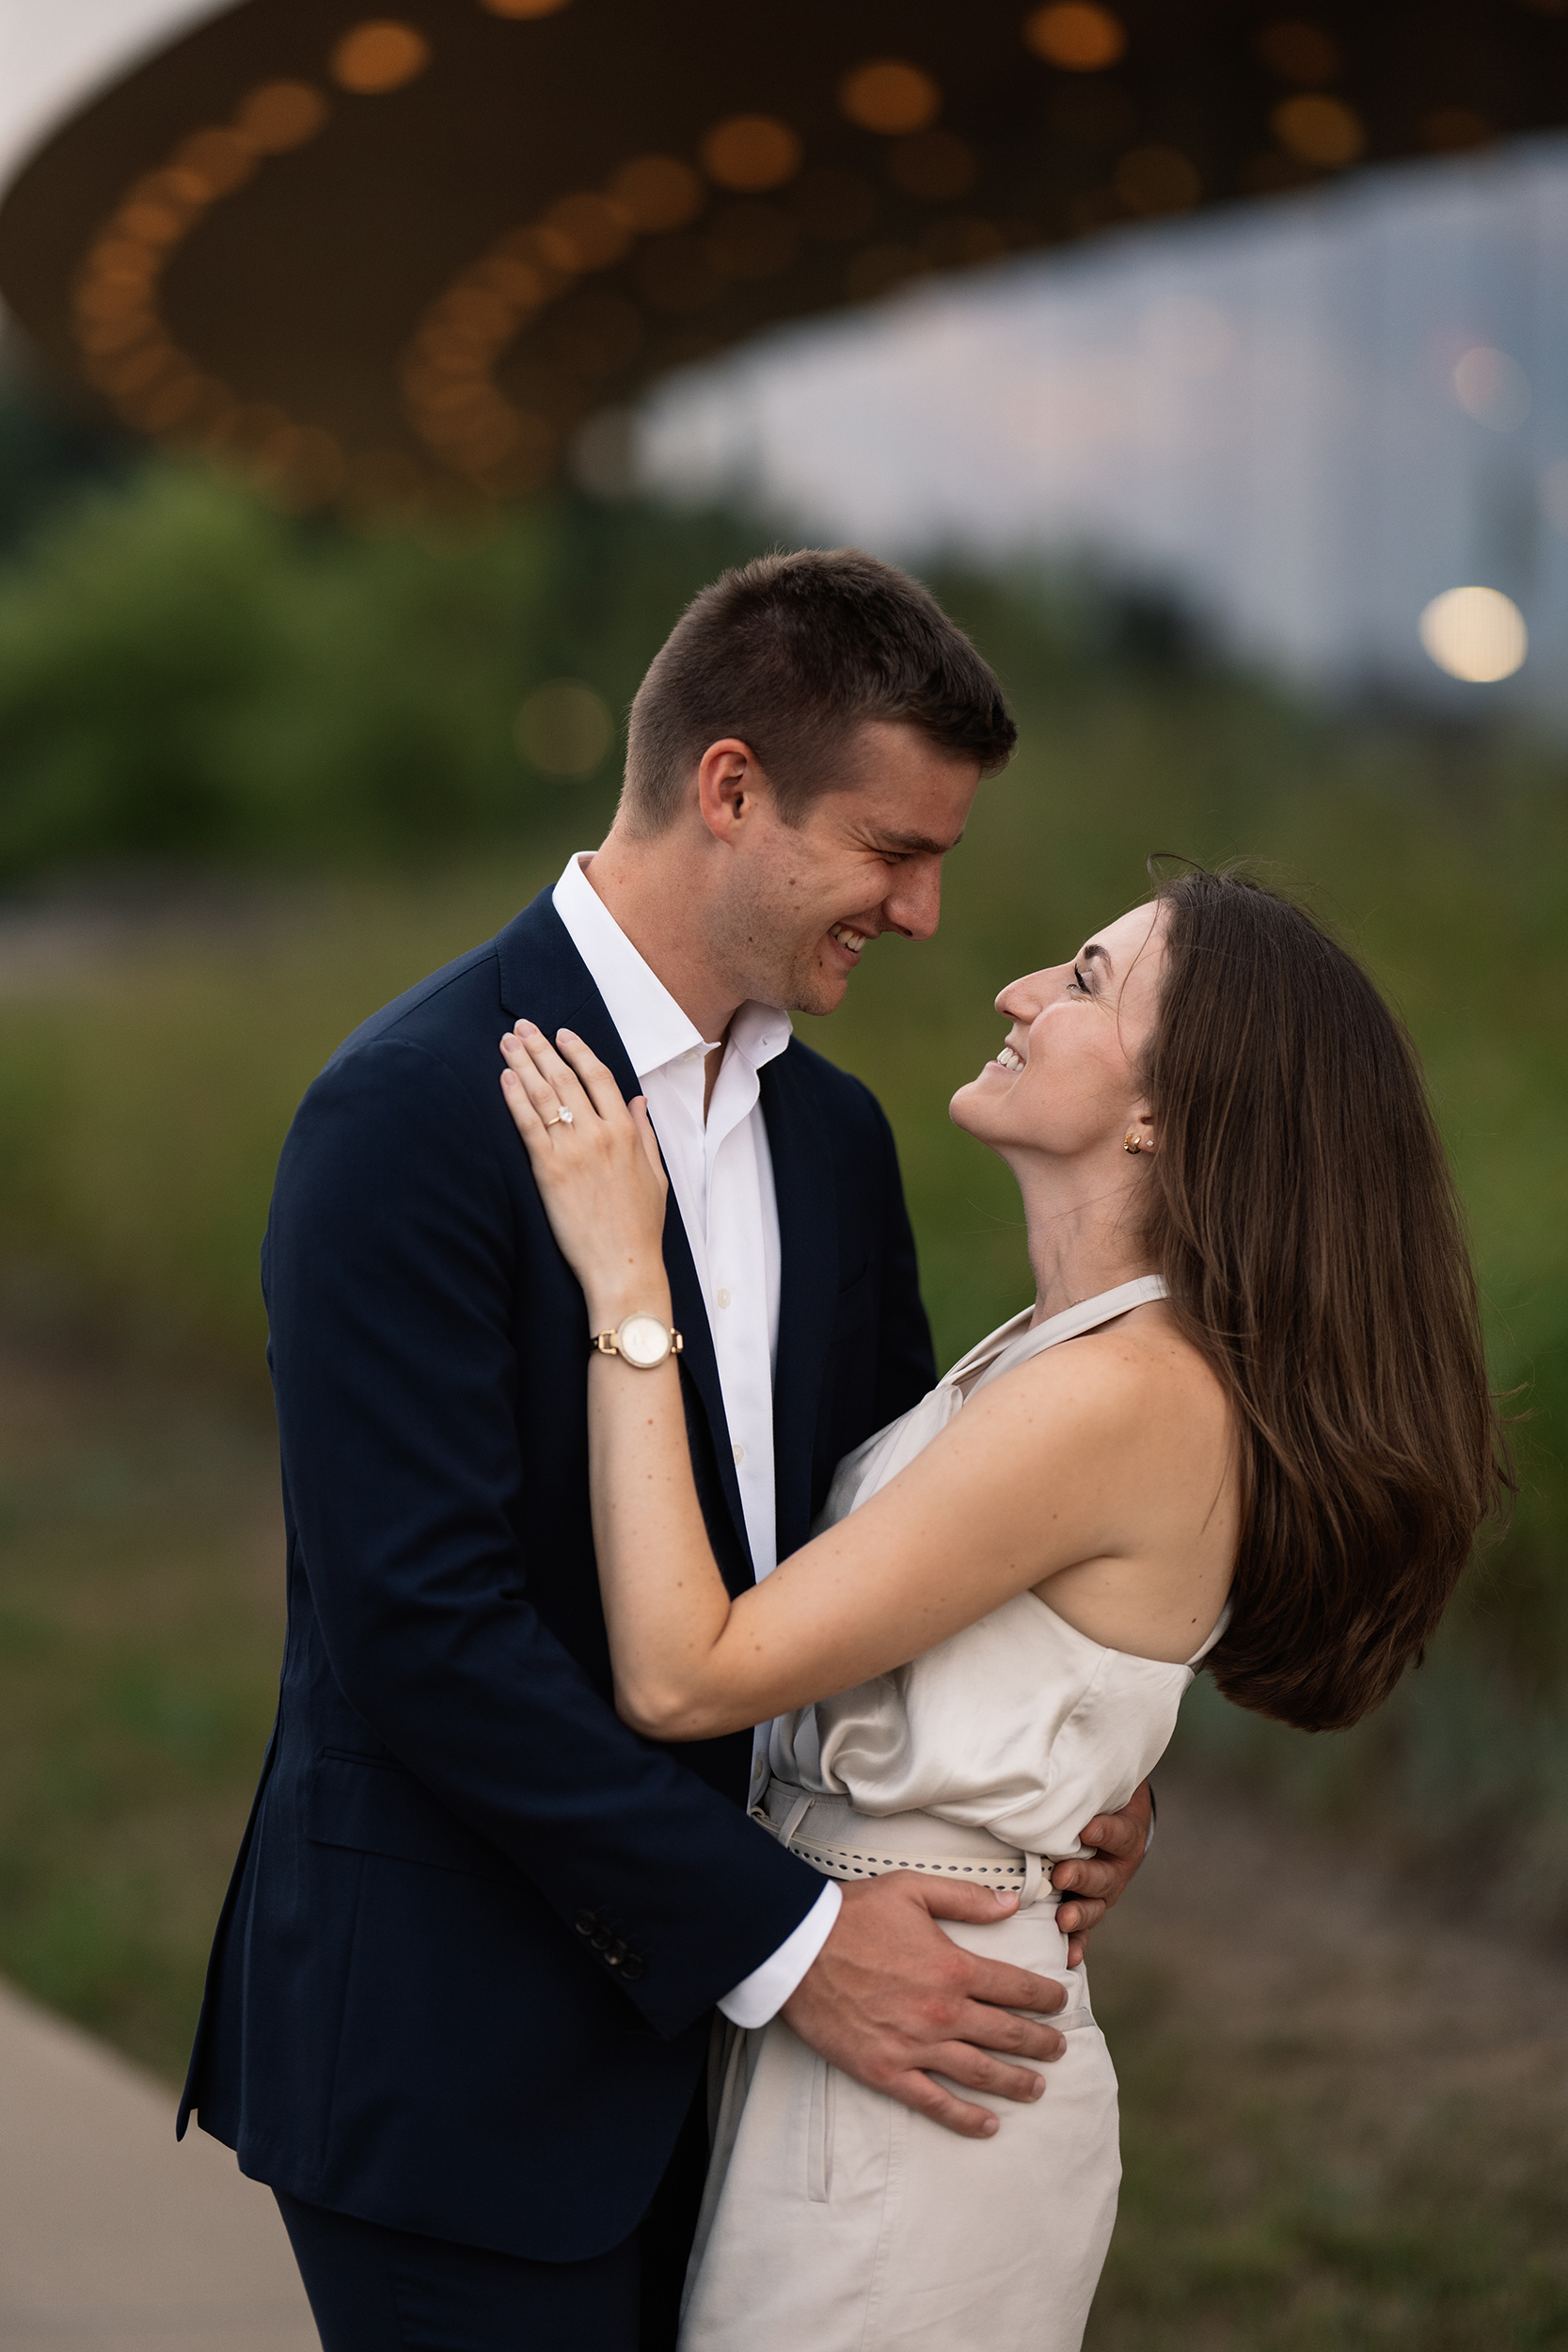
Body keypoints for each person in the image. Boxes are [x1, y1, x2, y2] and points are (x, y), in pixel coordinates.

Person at [177, 548, 1157, 2351]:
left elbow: (889, 1552)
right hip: (458, 2069)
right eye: (895, 851)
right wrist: (790, 1944)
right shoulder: (402, 1113)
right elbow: (421, 1638)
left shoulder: (839, 1142)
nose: (926, 913)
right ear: (729, 791)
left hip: (753, 2093)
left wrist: (1068, 1784)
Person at [499, 864, 1511, 2351]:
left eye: (1089, 980)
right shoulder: (1064, 1354)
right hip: (884, 2020)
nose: (1018, 990)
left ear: (1171, 1110)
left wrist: (623, 1276)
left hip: (926, 2065)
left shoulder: (1117, 1391)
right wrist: (1089, 1778)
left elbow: (683, 1673)